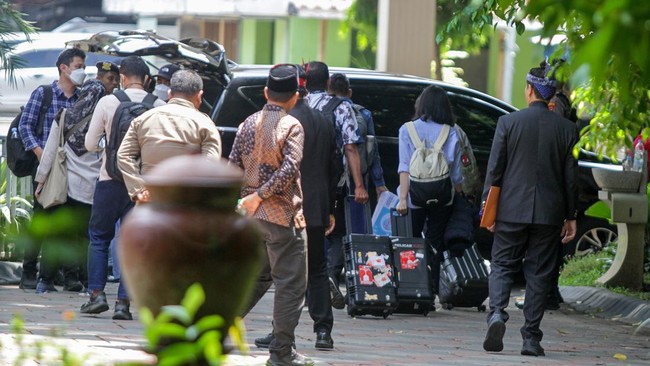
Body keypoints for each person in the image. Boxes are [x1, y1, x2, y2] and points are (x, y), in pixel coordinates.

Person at [481, 65, 578, 357]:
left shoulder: (508, 123)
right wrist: (571, 216)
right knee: (539, 273)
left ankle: (497, 313)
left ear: (529, 89)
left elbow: (494, 171)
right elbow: (570, 178)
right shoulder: (567, 129)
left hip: (511, 209)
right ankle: (531, 339)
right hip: (549, 214)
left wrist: (488, 210)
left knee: (501, 265)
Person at [230, 64, 312, 366]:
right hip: (281, 216)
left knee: (257, 276)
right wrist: (260, 196)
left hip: (251, 217)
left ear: (266, 92)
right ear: (295, 97)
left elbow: (233, 166)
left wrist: (244, 200)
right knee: (290, 284)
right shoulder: (292, 125)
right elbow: (290, 170)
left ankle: (211, 326)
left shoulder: (247, 123)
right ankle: (281, 354)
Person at [253, 65, 338, 351]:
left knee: (282, 273)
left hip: (285, 207)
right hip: (317, 204)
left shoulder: (283, 122)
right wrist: (330, 206)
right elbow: (333, 167)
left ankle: (279, 333)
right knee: (317, 269)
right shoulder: (324, 120)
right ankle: (323, 330)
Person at [81, 56, 165, 320]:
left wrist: (111, 148)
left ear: (122, 77)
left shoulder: (108, 102)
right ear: (147, 80)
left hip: (110, 180)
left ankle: (96, 295)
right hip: (143, 187)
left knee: (98, 238)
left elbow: (90, 143)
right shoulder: (159, 106)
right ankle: (123, 304)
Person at [32, 61, 120, 294]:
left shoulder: (64, 115)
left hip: (65, 187)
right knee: (85, 238)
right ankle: (76, 281)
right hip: (91, 189)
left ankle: (44, 282)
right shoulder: (105, 121)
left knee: (56, 233)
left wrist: (41, 181)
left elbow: (50, 151)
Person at [17, 48, 87, 290]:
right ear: (64, 68)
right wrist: (40, 154)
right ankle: (28, 272)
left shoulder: (81, 98)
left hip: (71, 168)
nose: (82, 72)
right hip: (45, 166)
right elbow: (26, 126)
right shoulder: (44, 93)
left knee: (65, 221)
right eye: (78, 66)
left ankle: (62, 274)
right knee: (42, 217)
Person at [304, 61, 368, 310]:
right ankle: (327, 275)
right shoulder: (342, 108)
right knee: (334, 231)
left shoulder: (297, 105)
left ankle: (305, 281)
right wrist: (359, 185)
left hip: (297, 180)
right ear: (328, 82)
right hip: (331, 182)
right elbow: (351, 146)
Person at [395, 85, 464, 298]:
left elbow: (404, 167)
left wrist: (403, 199)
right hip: (442, 198)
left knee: (411, 242)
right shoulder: (451, 131)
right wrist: (459, 194)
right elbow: (456, 172)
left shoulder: (407, 129)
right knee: (434, 244)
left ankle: (409, 288)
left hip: (414, 197)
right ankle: (430, 292)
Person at [117, 69, 222, 202]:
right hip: (186, 205)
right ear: (199, 96)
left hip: (149, 203)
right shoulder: (206, 124)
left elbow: (124, 155)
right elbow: (210, 166)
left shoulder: (143, 119)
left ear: (170, 93)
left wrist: (139, 189)